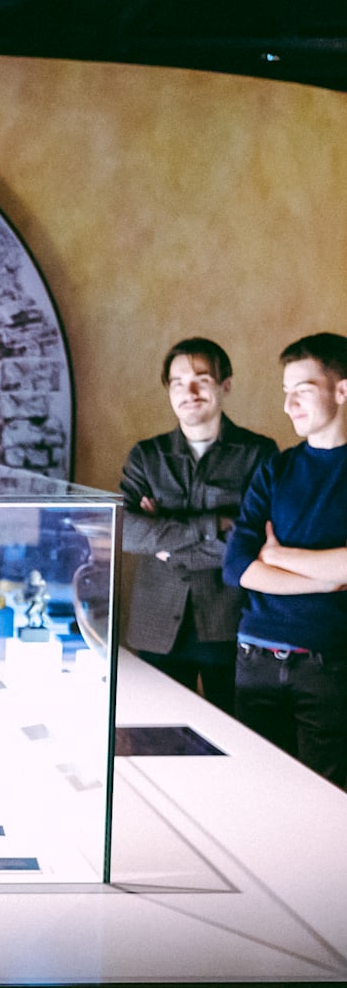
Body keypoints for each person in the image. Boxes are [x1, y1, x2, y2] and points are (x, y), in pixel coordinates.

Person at [119, 338, 274, 713]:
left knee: (238, 742)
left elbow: (256, 541)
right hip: (158, 627)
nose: (189, 392)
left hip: (231, 623)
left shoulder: (258, 452)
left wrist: (165, 540)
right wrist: (214, 525)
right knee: (159, 741)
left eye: (201, 380)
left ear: (225, 385)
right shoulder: (147, 455)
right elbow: (127, 531)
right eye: (177, 382)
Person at [222, 332, 347, 786]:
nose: (289, 404)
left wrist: (279, 555)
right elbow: (237, 567)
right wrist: (324, 577)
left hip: (329, 666)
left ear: (342, 389)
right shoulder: (276, 467)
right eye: (286, 393)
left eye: (303, 391)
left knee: (327, 801)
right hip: (254, 658)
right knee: (258, 795)